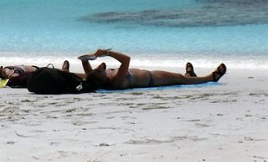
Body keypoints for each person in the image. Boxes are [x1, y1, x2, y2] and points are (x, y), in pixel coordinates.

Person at [80, 49, 227, 91]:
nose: (100, 67)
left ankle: (190, 75)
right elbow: (126, 59)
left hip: (149, 75)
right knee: (180, 79)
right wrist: (107, 53)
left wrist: (89, 57)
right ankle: (210, 78)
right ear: (103, 77)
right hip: (153, 79)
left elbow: (87, 68)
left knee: (181, 77)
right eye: (100, 70)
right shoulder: (116, 82)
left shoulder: (99, 78)